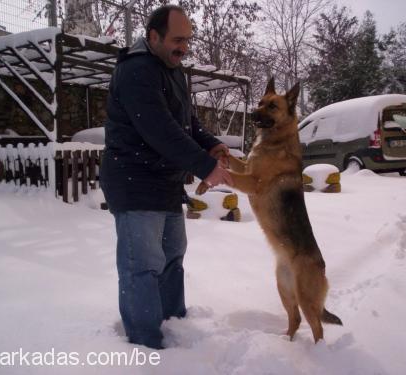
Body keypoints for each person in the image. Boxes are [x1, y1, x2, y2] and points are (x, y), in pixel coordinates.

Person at [100, 5, 233, 349]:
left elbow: (186, 124)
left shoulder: (172, 68)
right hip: (134, 182)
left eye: (187, 40)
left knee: (173, 256)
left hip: (165, 183)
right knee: (142, 265)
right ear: (153, 36)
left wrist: (212, 144)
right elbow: (158, 129)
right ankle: (147, 344)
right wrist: (205, 167)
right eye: (177, 40)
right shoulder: (136, 70)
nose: (184, 47)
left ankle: (174, 326)